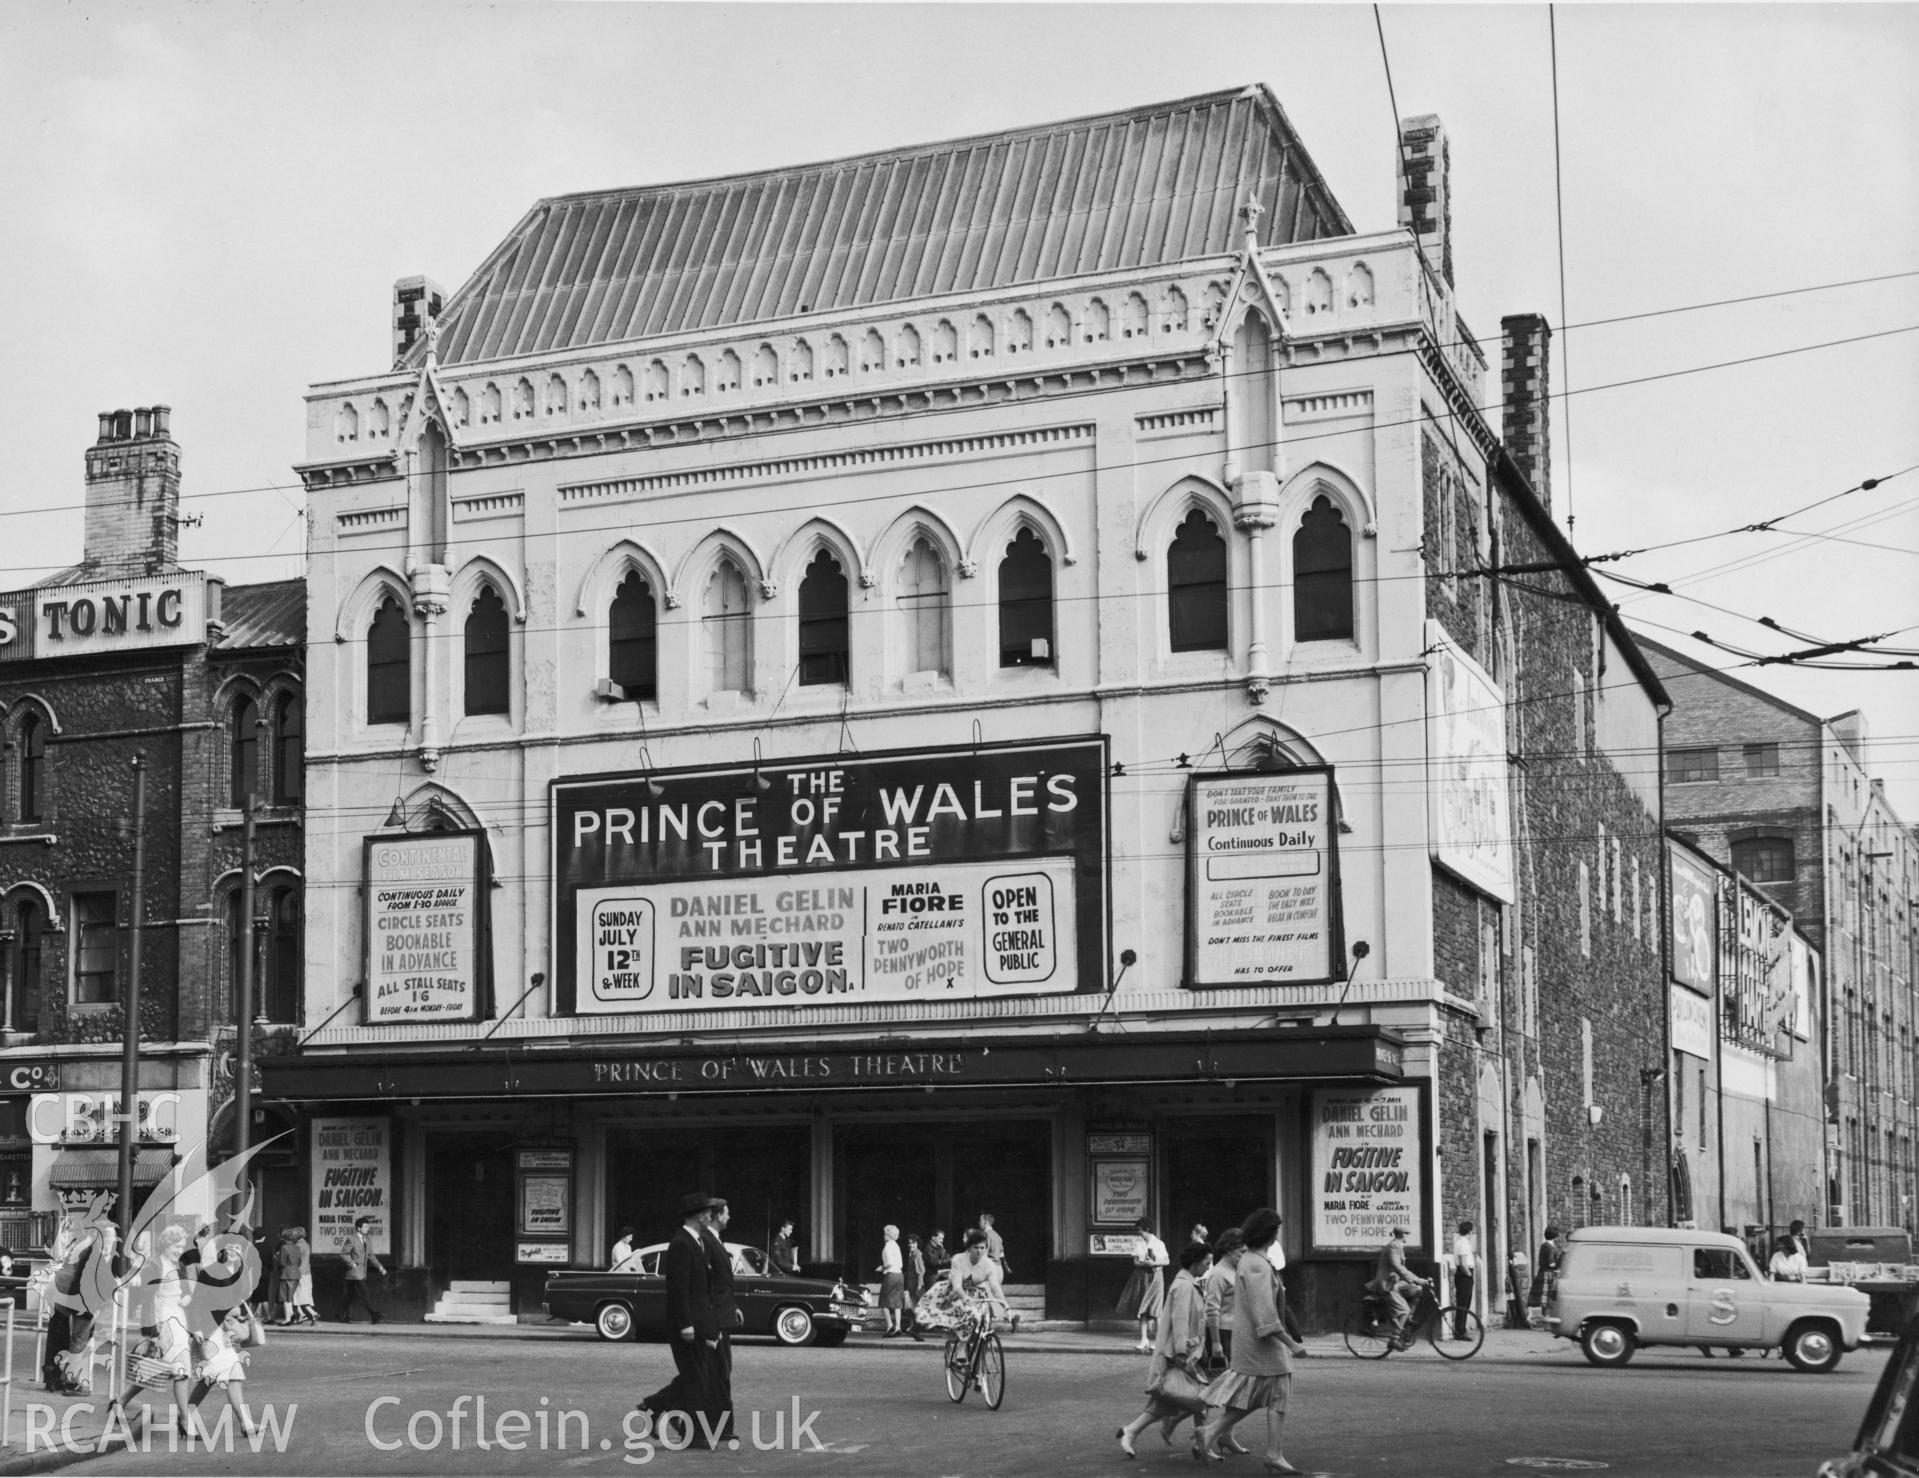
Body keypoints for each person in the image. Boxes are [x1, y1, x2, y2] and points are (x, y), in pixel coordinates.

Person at [1196, 1208, 1309, 1470]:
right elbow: (1265, 1317)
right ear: (1270, 1234)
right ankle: (1273, 1453)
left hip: (1251, 1341)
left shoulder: (1250, 1259)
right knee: (1277, 1392)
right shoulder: (1256, 1264)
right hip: (1262, 1343)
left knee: (1261, 1395)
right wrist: (1292, 1344)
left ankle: (1212, 1432)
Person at [1117, 1241, 1214, 1457]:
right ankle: (1201, 1443)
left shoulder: (1188, 1284)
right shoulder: (1185, 1286)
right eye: (1206, 1263)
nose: (1209, 1267)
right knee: (1198, 1397)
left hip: (1189, 1351)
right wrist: (1181, 1353)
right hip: (1184, 1353)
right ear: (1196, 1263)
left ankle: (1132, 1432)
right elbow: (1179, 1322)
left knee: (1185, 1398)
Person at [653, 1192, 723, 1449]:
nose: (710, 1216)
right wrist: (686, 1324)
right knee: (697, 1380)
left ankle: (659, 1408)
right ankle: (692, 1434)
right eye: (707, 1212)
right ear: (698, 1215)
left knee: (697, 1378)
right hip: (686, 1325)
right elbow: (679, 1288)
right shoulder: (682, 1243)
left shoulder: (696, 1241)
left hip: (698, 1322)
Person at [703, 1198, 743, 1445]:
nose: (729, 1217)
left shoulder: (715, 1241)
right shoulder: (707, 1242)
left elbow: (721, 1284)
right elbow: (707, 1287)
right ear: (717, 1216)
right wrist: (712, 1323)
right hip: (715, 1320)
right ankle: (716, 1428)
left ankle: (721, 1427)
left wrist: (733, 1307)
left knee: (722, 1373)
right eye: (727, 1214)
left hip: (723, 1316)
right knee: (717, 1374)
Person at [1368, 1227, 1430, 1349]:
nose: (1408, 1237)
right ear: (1402, 1235)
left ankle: (1408, 1318)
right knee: (1404, 1309)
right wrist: (1417, 1279)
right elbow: (1397, 1267)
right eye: (1407, 1234)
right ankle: (1394, 1339)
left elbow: (1402, 1270)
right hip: (1387, 1285)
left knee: (1417, 1289)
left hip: (1395, 1282)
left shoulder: (1399, 1247)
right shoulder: (1393, 1247)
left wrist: (1417, 1281)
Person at [1117, 1218, 1169, 1352]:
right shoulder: (1139, 1243)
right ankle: (1144, 1339)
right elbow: (1135, 1262)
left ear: (1146, 1229)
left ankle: (1159, 1342)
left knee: (1156, 1310)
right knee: (1143, 1308)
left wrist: (1155, 1263)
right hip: (1141, 1277)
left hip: (1156, 1277)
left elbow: (1167, 1261)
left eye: (1139, 1229)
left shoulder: (1159, 1243)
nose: (1138, 1232)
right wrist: (1145, 1264)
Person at [1202, 1227, 1246, 1375]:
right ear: (1229, 1249)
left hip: (1234, 1332)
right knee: (1222, 1381)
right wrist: (1216, 1343)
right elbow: (1212, 1310)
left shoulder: (1235, 1270)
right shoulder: (1219, 1274)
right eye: (1241, 1252)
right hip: (1222, 1334)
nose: (1244, 1256)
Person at [336, 1216, 386, 1324]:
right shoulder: (352, 1239)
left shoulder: (367, 1240)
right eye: (365, 1227)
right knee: (365, 1294)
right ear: (359, 1228)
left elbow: (371, 1256)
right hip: (355, 1272)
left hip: (360, 1273)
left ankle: (341, 1315)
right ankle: (374, 1315)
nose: (368, 1228)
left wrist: (380, 1267)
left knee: (348, 1296)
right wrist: (352, 1263)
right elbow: (343, 1254)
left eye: (368, 1226)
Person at [878, 1224, 907, 1337]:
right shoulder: (896, 1246)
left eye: (885, 1234)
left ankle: (890, 1325)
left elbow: (889, 1263)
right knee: (897, 1302)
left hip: (890, 1275)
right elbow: (900, 1263)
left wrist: (882, 1267)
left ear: (889, 1236)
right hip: (899, 1275)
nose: (884, 1236)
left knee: (883, 1301)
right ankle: (898, 1327)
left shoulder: (888, 1247)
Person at [1451, 1221, 1477, 1340]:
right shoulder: (1463, 1243)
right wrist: (1469, 1275)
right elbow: (1463, 1263)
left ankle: (1461, 1329)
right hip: (1464, 1274)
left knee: (1464, 1303)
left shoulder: (1461, 1242)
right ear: (1470, 1231)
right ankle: (1460, 1331)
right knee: (1463, 1303)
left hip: (1463, 1274)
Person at [1528, 1226, 1563, 1311]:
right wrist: (1559, 1263)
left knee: (1543, 1298)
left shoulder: (1544, 1245)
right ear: (1555, 1236)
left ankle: (1544, 1314)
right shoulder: (1551, 1248)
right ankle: (1546, 1314)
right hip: (1548, 1273)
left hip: (1542, 1272)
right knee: (1548, 1297)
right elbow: (1551, 1263)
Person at [269, 1229, 300, 1325]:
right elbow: (300, 1262)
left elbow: (282, 1263)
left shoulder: (284, 1248)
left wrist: (276, 1257)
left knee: (285, 1298)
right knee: (290, 1297)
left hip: (286, 1274)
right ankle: (291, 1315)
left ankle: (287, 1318)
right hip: (296, 1274)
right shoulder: (297, 1248)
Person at [290, 1227, 317, 1325]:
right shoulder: (306, 1244)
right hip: (306, 1272)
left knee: (297, 1296)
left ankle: (312, 1313)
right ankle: (302, 1315)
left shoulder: (298, 1245)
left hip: (299, 1273)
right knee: (297, 1296)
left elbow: (297, 1259)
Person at [903, 1233, 927, 1341]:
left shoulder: (917, 1255)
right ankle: (914, 1329)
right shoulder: (911, 1254)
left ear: (917, 1244)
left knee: (917, 1309)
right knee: (911, 1308)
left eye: (913, 1243)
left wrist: (919, 1286)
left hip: (915, 1286)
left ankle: (916, 1331)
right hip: (910, 1285)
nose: (911, 1245)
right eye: (909, 1243)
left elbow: (920, 1272)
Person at [978, 1212, 1009, 1277]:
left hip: (990, 1270)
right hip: (999, 1270)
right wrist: (1006, 1267)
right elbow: (1002, 1255)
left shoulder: (985, 1236)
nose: (979, 1223)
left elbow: (984, 1255)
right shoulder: (998, 1236)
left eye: (980, 1221)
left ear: (986, 1222)